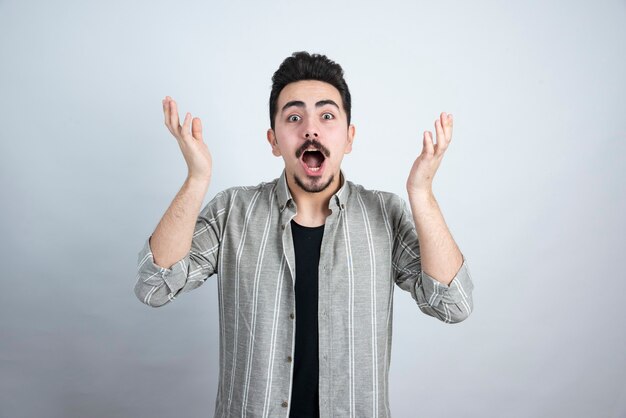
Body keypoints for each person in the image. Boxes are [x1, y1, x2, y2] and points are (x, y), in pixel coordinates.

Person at [134, 51, 474, 418]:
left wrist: (422, 194)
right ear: (274, 140)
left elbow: (453, 304)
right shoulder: (232, 211)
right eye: (294, 117)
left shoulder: (385, 214)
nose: (311, 129)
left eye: (327, 116)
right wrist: (196, 179)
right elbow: (154, 286)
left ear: (349, 137)